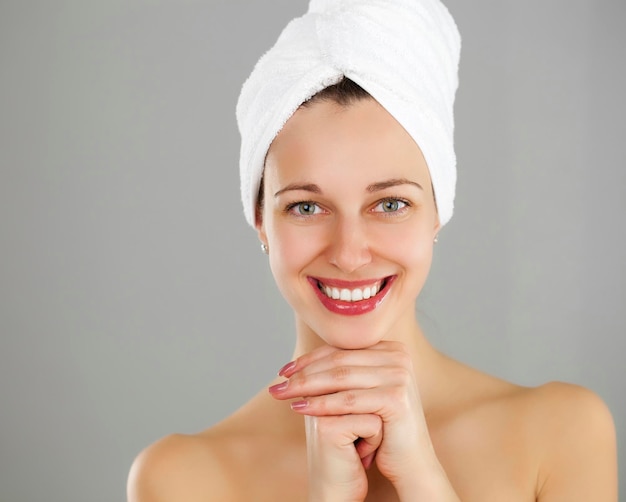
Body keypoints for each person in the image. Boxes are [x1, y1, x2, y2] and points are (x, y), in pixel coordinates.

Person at [127, 1, 618, 500]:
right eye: (306, 208)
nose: (349, 253)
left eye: (390, 203)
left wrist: (422, 478)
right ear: (260, 223)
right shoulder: (182, 479)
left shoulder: (561, 434)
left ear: (437, 213)